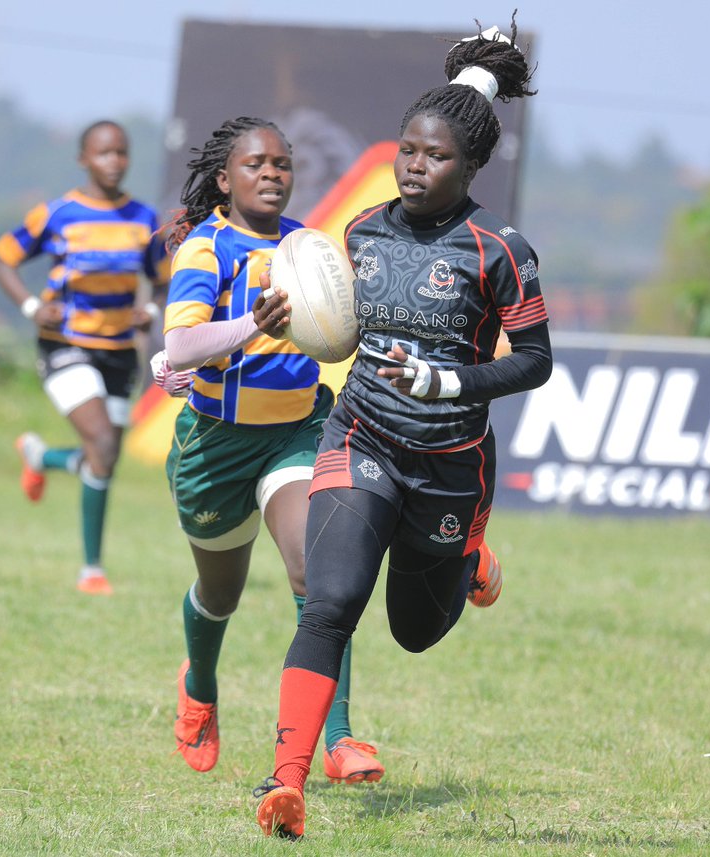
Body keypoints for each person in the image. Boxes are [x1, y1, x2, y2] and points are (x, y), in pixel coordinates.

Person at [254, 19, 551, 839]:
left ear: (474, 166)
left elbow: (534, 362)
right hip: (364, 438)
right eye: (408, 151)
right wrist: (289, 322)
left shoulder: (500, 250)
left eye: (438, 156)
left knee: (415, 633)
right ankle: (285, 782)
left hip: (450, 467)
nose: (416, 166)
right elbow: (343, 334)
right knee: (329, 600)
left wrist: (448, 377)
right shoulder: (362, 230)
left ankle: (469, 555)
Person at [162, 116, 388, 784]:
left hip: (294, 433)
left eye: (282, 164)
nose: (271, 174)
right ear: (226, 179)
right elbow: (179, 348)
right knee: (219, 591)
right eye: (256, 164)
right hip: (215, 448)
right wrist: (247, 326)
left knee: (318, 574)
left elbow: (340, 333)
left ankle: (339, 737)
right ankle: (200, 682)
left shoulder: (310, 249)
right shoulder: (207, 248)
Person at [0, 120, 168, 595]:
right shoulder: (58, 214)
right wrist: (32, 308)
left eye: (122, 153)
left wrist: (150, 309)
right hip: (65, 345)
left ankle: (41, 456)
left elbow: (163, 278)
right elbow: (3, 258)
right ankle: (92, 570)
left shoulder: (143, 219)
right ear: (84, 159)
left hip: (118, 354)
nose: (114, 161)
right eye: (104, 153)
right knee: (103, 448)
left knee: (104, 461)